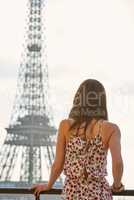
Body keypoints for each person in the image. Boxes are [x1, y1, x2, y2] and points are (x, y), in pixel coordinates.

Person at [31, 79, 124, 199]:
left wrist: (49, 185)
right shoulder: (111, 128)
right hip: (99, 193)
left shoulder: (65, 126)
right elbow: (118, 164)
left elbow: (58, 165)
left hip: (72, 193)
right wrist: (116, 185)